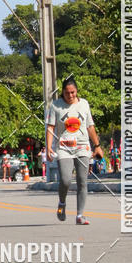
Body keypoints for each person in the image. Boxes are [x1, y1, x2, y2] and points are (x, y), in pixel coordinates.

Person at [46, 77, 104, 226]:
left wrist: (97, 145)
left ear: (76, 91)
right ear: (63, 93)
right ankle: (62, 202)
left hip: (82, 147)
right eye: (67, 93)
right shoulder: (56, 106)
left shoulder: (84, 104)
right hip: (64, 148)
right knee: (65, 180)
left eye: (73, 92)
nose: (70, 96)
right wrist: (49, 147)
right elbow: (51, 127)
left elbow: (90, 126)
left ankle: (80, 215)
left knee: (82, 181)